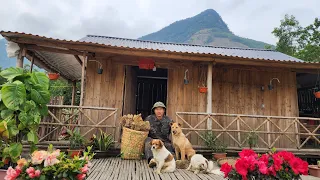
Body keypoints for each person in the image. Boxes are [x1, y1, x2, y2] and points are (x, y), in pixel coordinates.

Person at [144, 101, 175, 167]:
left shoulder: (169, 120)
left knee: (171, 153)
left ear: (163, 110)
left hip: (164, 142)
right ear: (154, 110)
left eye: (161, 109)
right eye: (157, 109)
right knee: (147, 142)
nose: (159, 111)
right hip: (152, 141)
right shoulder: (148, 119)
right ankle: (152, 160)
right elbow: (143, 130)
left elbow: (175, 131)